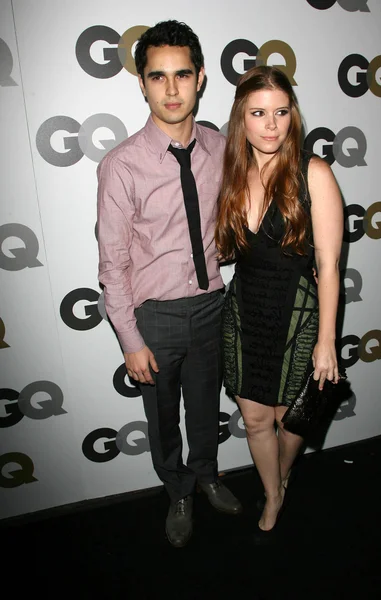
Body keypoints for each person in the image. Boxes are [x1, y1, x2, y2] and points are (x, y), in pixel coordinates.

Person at [96, 20, 242, 548]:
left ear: (201, 77)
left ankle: (206, 475)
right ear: (142, 84)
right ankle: (177, 490)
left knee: (205, 407)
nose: (172, 89)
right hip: (154, 316)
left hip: (211, 305)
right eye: (158, 77)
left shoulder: (223, 148)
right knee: (162, 419)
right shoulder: (122, 166)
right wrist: (130, 339)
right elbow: (111, 264)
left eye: (183, 75)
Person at [216, 66, 343, 536]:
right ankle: (273, 495)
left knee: (291, 419)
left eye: (281, 112)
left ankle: (283, 472)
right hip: (244, 309)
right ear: (241, 119)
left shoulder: (314, 172)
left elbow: (329, 265)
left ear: (293, 116)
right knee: (253, 418)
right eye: (258, 113)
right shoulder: (233, 173)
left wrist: (326, 340)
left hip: (297, 310)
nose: (271, 124)